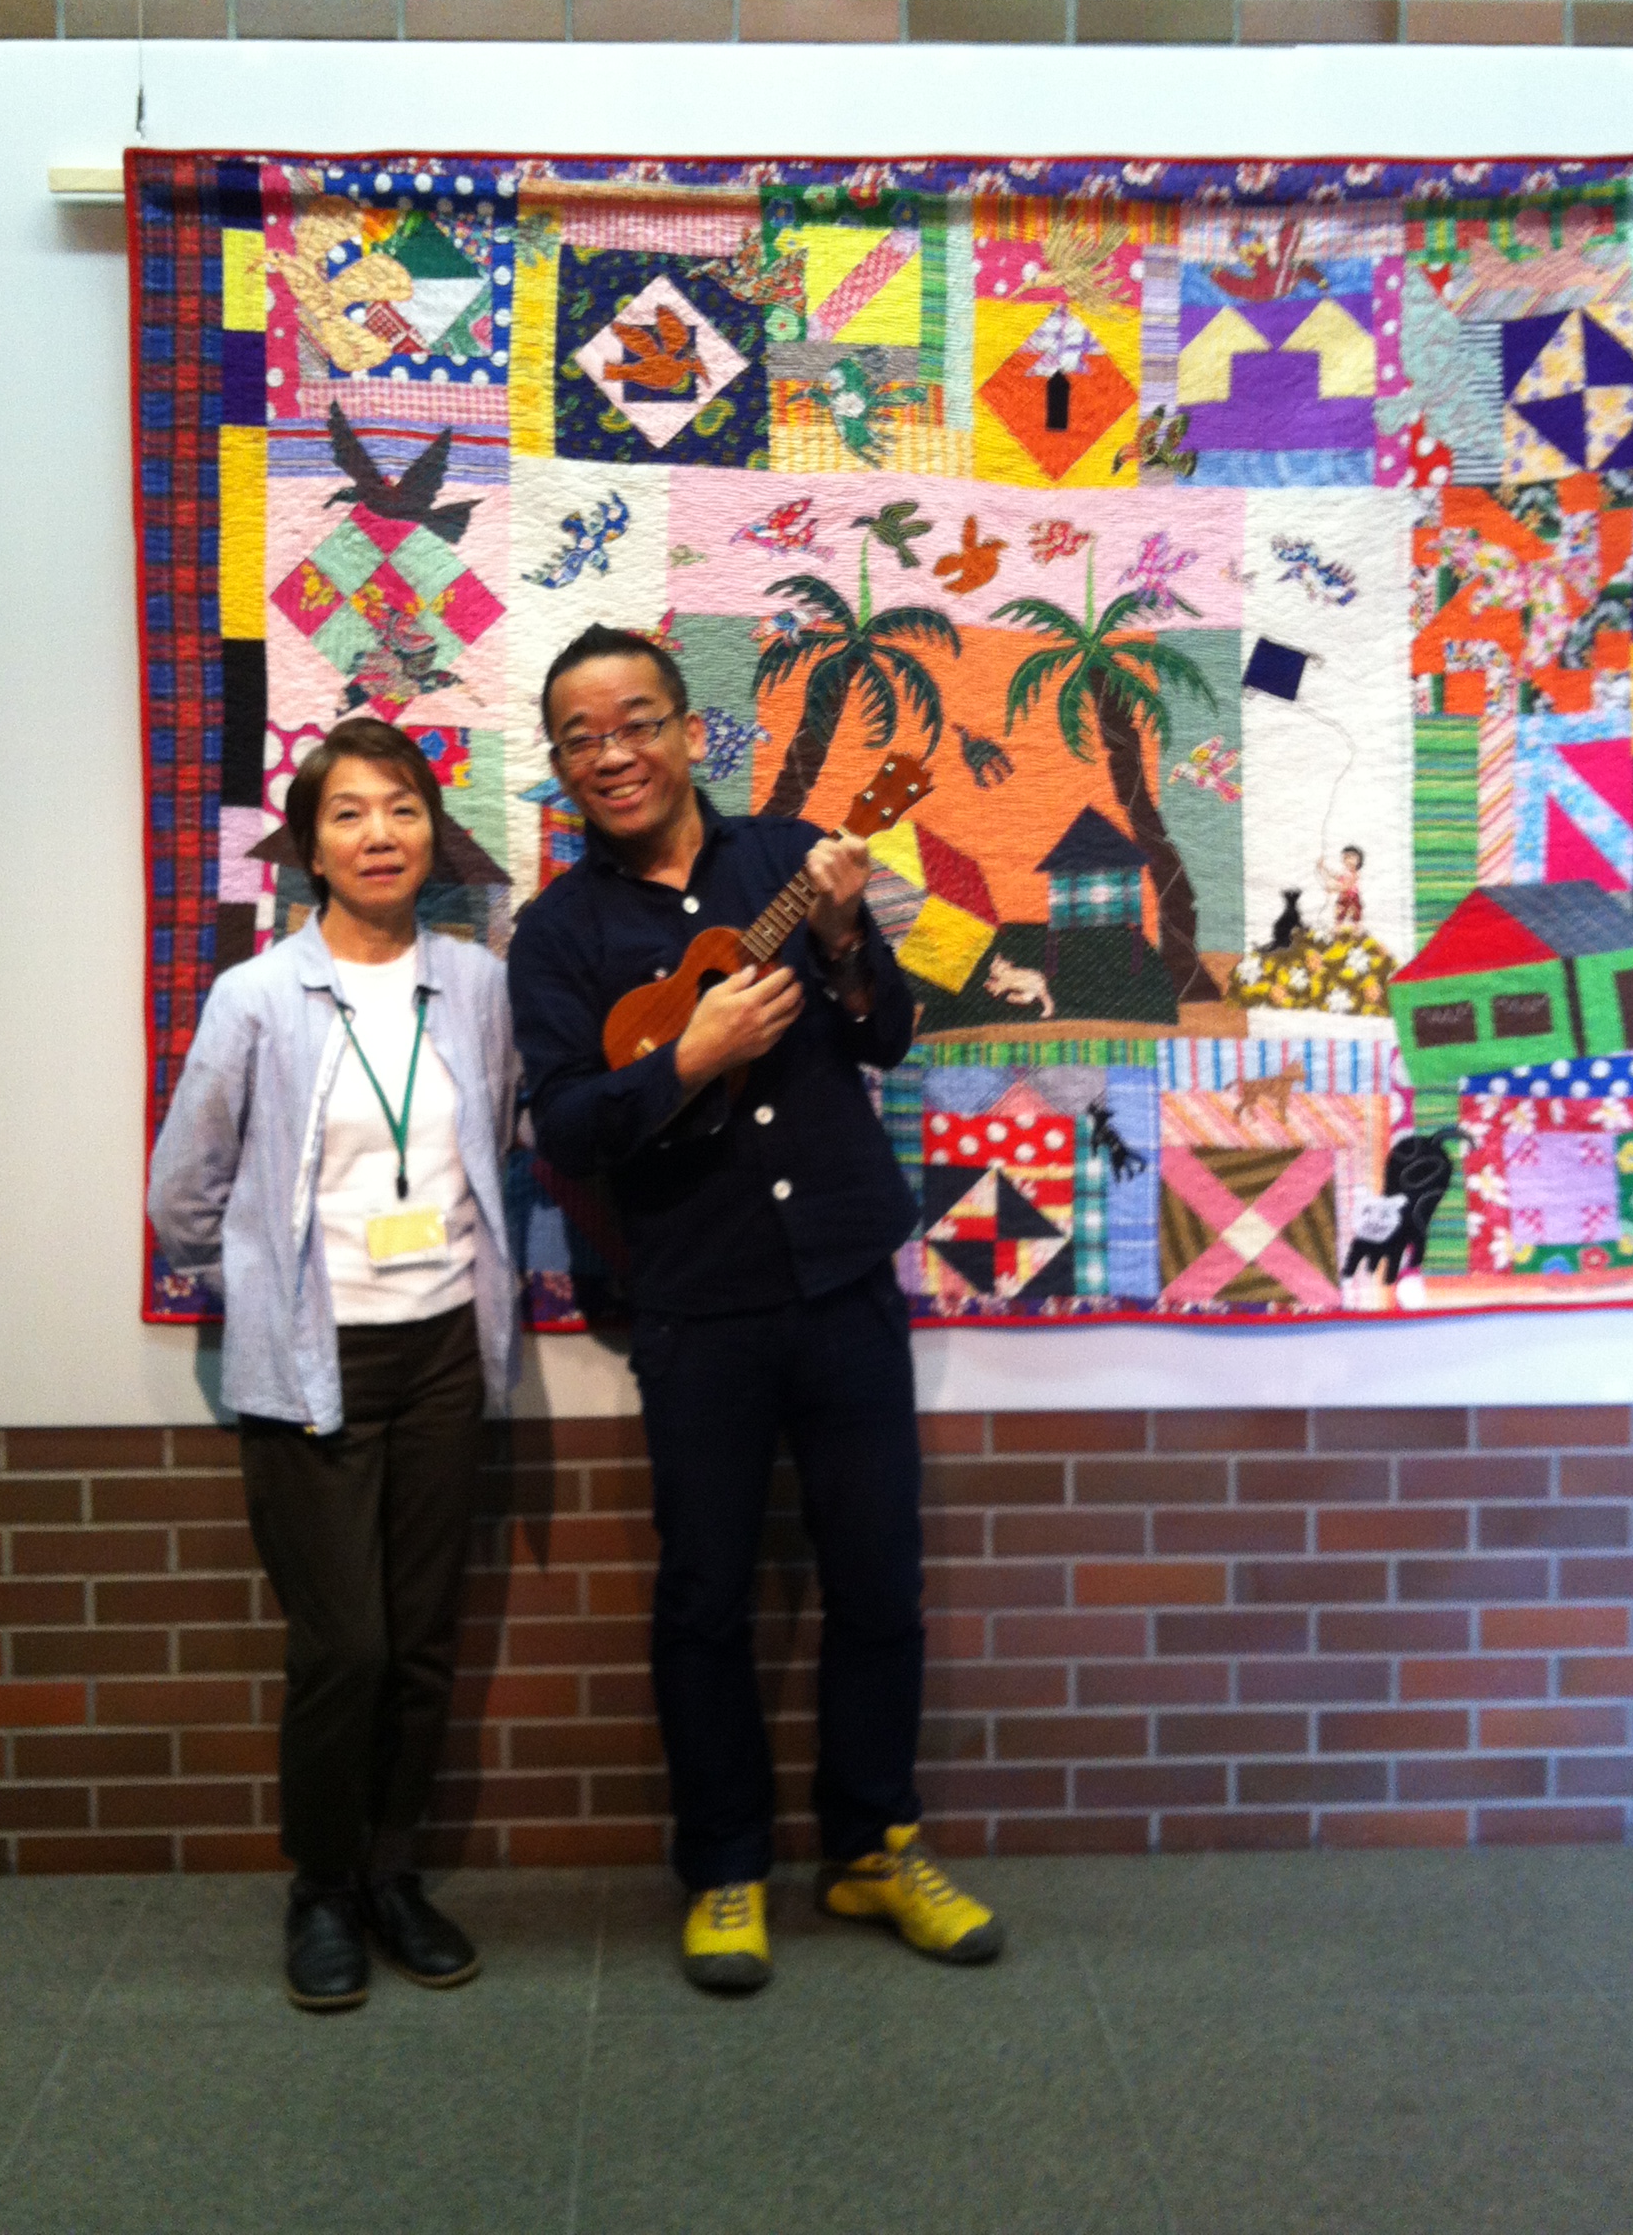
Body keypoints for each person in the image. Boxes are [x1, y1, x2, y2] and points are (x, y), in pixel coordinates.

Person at [507, 623, 1002, 1994]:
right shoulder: (556, 934)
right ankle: (724, 1869)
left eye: (636, 722)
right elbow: (566, 1126)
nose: (613, 753)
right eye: (582, 738)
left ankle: (873, 1846)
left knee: (880, 1584)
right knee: (705, 1597)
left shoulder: (787, 856)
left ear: (687, 729)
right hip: (696, 1304)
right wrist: (688, 1057)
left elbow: (886, 1035)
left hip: (844, 1281)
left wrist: (842, 938)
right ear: (560, 765)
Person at [148, 716, 518, 2015]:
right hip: (315, 1361)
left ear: (433, 834)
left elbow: (498, 1131)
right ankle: (319, 1883)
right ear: (310, 847)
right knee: (345, 1647)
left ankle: (391, 1873)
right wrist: (265, 1283)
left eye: (403, 808)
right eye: (349, 813)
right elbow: (183, 1197)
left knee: (419, 1642)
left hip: (444, 1352)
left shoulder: (475, 982)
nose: (379, 834)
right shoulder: (258, 996)